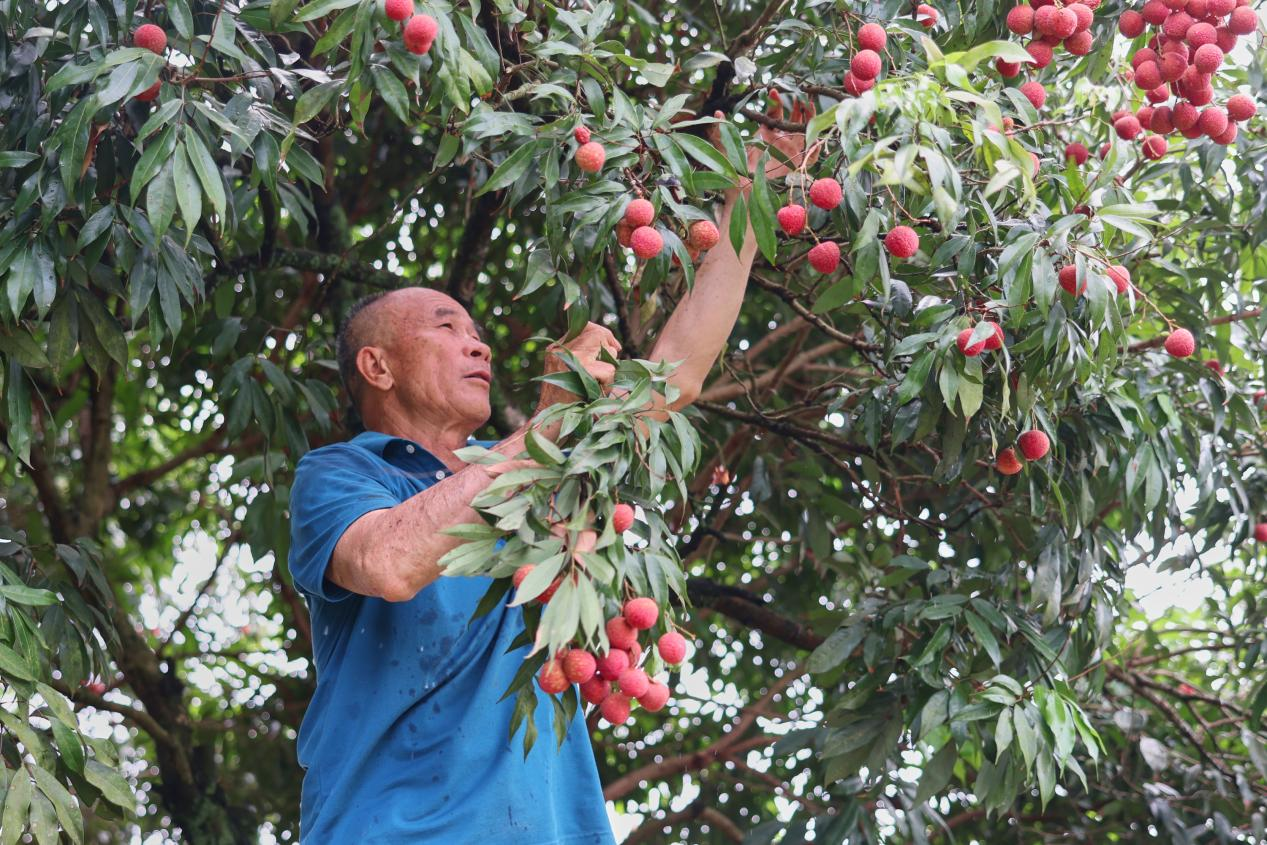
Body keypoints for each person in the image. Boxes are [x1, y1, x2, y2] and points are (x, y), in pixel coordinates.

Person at [286, 97, 814, 843]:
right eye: (446, 328)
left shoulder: (542, 470)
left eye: (478, 335)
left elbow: (677, 374)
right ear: (376, 365)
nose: (479, 347)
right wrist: (552, 423)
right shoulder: (341, 476)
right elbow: (391, 560)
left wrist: (754, 186)